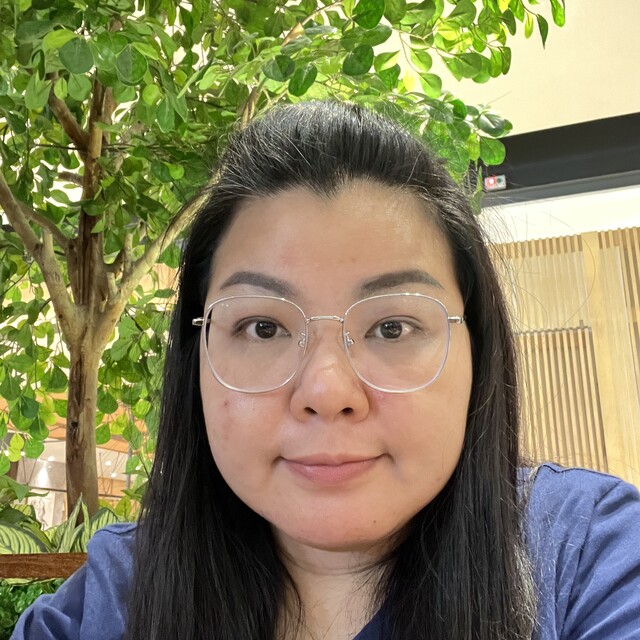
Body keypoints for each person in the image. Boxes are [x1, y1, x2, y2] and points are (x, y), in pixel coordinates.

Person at [11, 101, 640, 640]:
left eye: (392, 327)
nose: (328, 391)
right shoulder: (107, 606)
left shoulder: (591, 558)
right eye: (263, 327)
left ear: (477, 347)